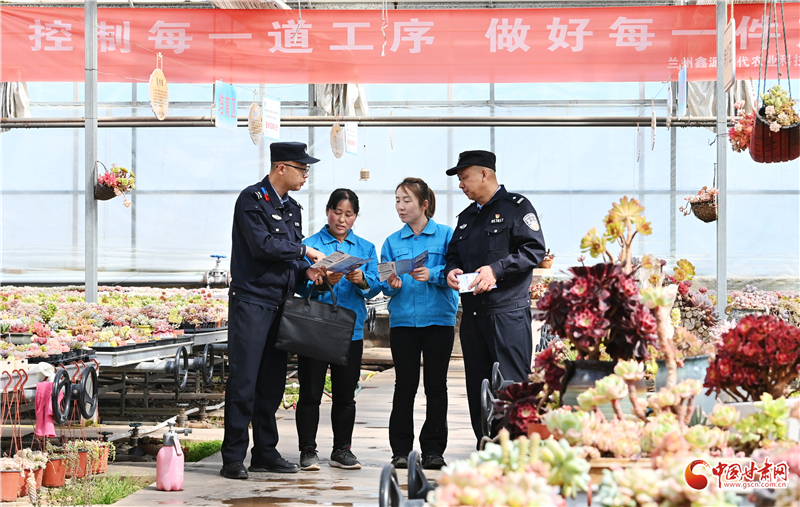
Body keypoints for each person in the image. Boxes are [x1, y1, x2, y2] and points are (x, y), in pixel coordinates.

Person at [220, 141, 326, 480]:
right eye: (302, 168)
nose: (306, 175)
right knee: (244, 380)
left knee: (272, 383)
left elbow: (289, 260)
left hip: (281, 303)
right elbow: (263, 246)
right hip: (252, 302)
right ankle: (233, 456)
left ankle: (265, 452)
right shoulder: (251, 200)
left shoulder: (292, 208)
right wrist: (304, 251)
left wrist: (307, 271)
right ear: (281, 168)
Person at [443, 150, 547, 444]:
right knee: (478, 388)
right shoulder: (467, 217)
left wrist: (496, 270)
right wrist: (451, 271)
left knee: (511, 387)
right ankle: (486, 446)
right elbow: (453, 255)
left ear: (484, 174)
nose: (460, 184)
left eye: (464, 177)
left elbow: (534, 250)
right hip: (473, 317)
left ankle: (515, 449)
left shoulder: (516, 208)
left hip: (507, 315)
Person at [295, 189, 381, 471]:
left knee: (345, 395)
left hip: (349, 331)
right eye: (337, 212)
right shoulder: (310, 245)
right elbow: (299, 286)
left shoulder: (365, 248)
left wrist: (361, 279)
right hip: (315, 329)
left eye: (349, 214)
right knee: (310, 393)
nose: (342, 219)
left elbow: (374, 287)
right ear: (327, 211)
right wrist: (323, 283)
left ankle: (342, 450)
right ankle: (308, 450)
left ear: (355, 217)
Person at [381, 178, 459, 470]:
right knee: (404, 386)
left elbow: (456, 273)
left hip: (439, 320)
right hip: (403, 323)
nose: (400, 207)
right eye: (397, 200)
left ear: (424, 204)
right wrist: (391, 284)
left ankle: (434, 451)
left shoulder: (447, 236)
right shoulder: (391, 242)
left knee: (436, 387)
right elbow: (384, 285)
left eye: (407, 200)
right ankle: (400, 450)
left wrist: (435, 274)